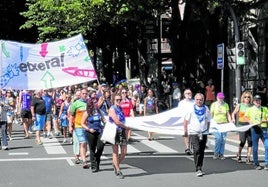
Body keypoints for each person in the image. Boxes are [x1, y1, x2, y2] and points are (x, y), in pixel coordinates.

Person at [184, 93, 211, 177]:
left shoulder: (206, 108)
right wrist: (185, 131)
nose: (199, 101)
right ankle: (198, 168)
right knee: (196, 149)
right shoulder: (191, 109)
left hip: (203, 132)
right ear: (195, 100)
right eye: (197, 99)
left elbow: (208, 120)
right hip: (194, 132)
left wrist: (207, 130)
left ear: (203, 100)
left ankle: (200, 166)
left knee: (201, 151)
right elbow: (185, 121)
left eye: (201, 100)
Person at [108, 94, 130, 179]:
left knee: (124, 152)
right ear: (113, 100)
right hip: (115, 131)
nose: (118, 101)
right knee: (115, 151)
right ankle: (118, 169)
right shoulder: (112, 109)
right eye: (117, 99)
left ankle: (115, 163)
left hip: (122, 131)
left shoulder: (120, 109)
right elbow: (116, 121)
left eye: (119, 99)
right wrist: (126, 127)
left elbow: (123, 120)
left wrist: (126, 128)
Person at [244, 94, 268, 170]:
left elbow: (267, 119)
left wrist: (263, 121)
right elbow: (245, 116)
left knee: (267, 145)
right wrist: (249, 121)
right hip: (254, 129)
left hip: (263, 129)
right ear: (254, 102)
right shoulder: (250, 109)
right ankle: (256, 163)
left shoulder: (264, 109)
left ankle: (267, 163)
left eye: (259, 100)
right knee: (255, 148)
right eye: (256, 100)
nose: (258, 102)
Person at [81, 99, 106, 173]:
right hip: (90, 132)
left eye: (96, 102)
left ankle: (97, 158)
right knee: (92, 149)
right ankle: (94, 166)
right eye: (94, 102)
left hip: (99, 131)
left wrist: (107, 123)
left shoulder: (98, 111)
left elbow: (103, 119)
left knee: (100, 147)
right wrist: (88, 129)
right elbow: (82, 123)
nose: (96, 103)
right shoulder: (87, 112)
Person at [69, 88, 89, 169]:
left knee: (86, 143)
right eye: (83, 93)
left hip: (87, 126)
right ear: (80, 94)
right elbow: (71, 115)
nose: (84, 95)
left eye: (86, 93)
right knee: (82, 142)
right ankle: (84, 161)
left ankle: (83, 156)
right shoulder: (76, 104)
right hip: (78, 126)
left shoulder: (89, 103)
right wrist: (70, 125)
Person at [231, 91, 253, 164]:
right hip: (242, 125)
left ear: (250, 98)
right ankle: (239, 154)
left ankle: (248, 158)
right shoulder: (240, 105)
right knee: (243, 141)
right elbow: (233, 113)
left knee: (250, 141)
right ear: (243, 98)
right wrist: (233, 119)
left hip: (250, 125)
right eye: (245, 97)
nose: (247, 98)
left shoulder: (252, 106)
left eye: (248, 97)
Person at [210, 92, 232, 160]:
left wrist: (230, 121)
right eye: (220, 98)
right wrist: (210, 123)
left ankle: (221, 154)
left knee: (223, 139)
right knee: (218, 138)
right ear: (217, 98)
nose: (221, 99)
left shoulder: (226, 105)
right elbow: (211, 114)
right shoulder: (213, 104)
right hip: (216, 124)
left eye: (222, 98)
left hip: (224, 123)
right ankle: (216, 153)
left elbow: (228, 114)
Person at [179, 89, 195, 155]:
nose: (188, 94)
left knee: (193, 134)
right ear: (184, 94)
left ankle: (193, 147)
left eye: (189, 93)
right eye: (187, 93)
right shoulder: (181, 103)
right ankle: (187, 148)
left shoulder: (194, 102)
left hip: (193, 121)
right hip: (185, 120)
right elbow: (179, 111)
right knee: (186, 134)